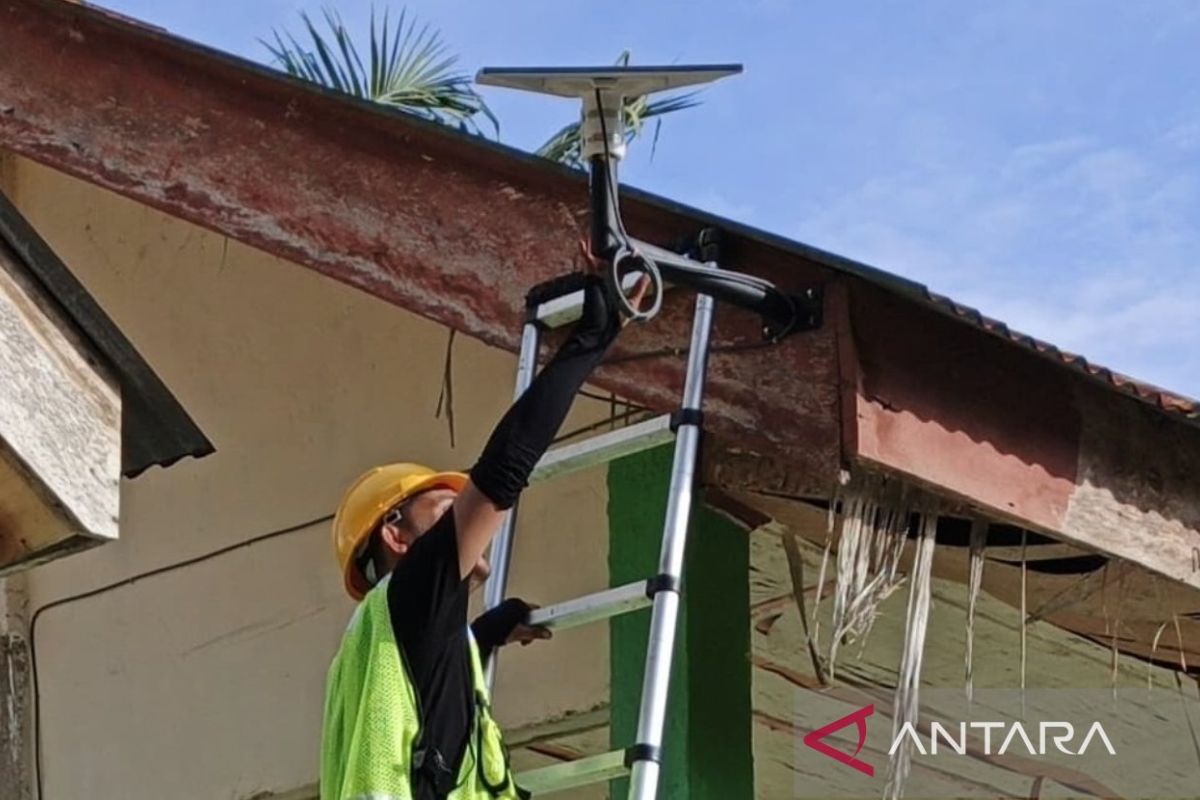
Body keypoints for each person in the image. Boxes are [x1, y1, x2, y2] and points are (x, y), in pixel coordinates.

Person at [320, 251, 651, 800]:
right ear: (396, 536)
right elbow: (504, 471)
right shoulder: (408, 598)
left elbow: (426, 694)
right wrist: (593, 338)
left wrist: (484, 635)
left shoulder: (391, 636)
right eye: (444, 508)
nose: (465, 512)